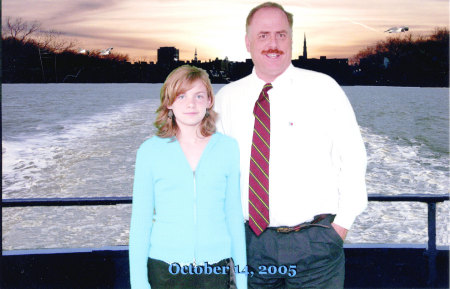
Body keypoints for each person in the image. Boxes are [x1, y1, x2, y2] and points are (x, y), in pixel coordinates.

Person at [215, 2, 367, 288]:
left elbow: (354, 159)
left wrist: (340, 228)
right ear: (248, 43)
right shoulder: (226, 99)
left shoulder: (325, 89)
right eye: (263, 35)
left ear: (291, 40)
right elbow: (216, 172)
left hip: (316, 246)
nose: (273, 44)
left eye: (281, 35)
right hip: (251, 248)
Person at [129, 65, 247, 289]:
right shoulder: (149, 151)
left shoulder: (228, 148)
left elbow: (233, 215)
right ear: (169, 102)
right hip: (165, 270)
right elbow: (140, 222)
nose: (191, 104)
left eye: (198, 96)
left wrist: (242, 280)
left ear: (209, 101)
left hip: (216, 270)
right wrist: (138, 283)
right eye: (181, 96)